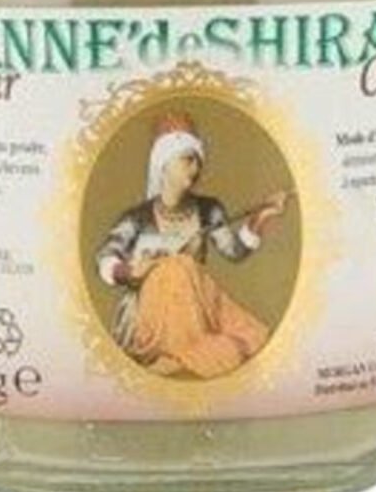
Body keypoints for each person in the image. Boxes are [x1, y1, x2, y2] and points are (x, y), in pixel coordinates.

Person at [94, 110, 288, 378]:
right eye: (187, 159)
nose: (196, 168)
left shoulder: (209, 210)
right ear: (164, 163)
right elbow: (105, 258)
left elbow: (234, 252)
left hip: (197, 309)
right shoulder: (137, 217)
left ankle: (191, 348)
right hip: (149, 316)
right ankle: (180, 349)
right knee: (175, 268)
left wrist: (260, 218)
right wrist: (129, 272)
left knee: (235, 338)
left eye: (198, 160)